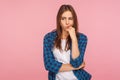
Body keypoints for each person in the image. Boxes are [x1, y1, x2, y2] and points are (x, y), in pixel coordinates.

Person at [43, 4, 92, 80]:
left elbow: (76, 63)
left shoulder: (82, 38)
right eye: (63, 18)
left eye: (70, 18)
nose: (67, 22)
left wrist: (74, 39)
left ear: (74, 20)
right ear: (59, 20)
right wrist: (75, 67)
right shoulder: (49, 38)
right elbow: (49, 64)